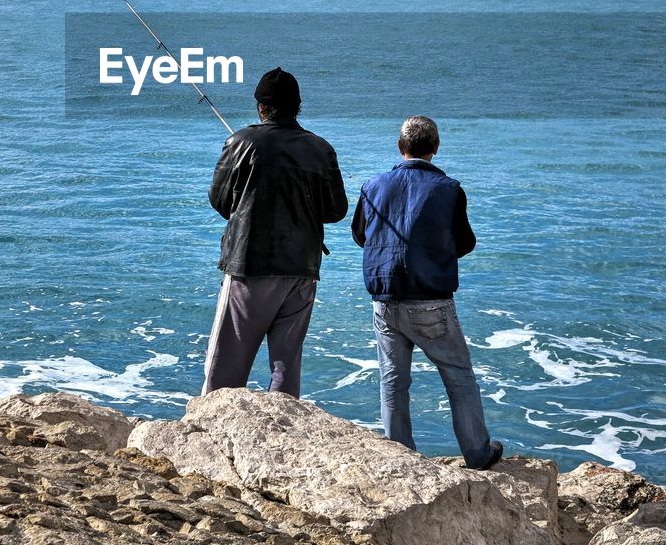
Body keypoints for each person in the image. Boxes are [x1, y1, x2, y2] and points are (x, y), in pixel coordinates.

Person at [351, 115, 502, 470]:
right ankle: (478, 454)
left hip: (385, 299)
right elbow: (465, 242)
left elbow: (360, 236)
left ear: (400, 147)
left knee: (393, 379)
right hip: (431, 300)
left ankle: (400, 456)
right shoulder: (449, 189)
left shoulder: (372, 186)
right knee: (459, 377)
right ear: (435, 148)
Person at [203, 67, 348, 398]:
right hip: (302, 268)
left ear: (261, 107)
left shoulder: (241, 142)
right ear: (297, 106)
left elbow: (220, 200)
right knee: (285, 367)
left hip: (250, 266)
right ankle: (285, 437)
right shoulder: (321, 149)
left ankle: (208, 435)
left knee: (226, 365)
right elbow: (336, 210)